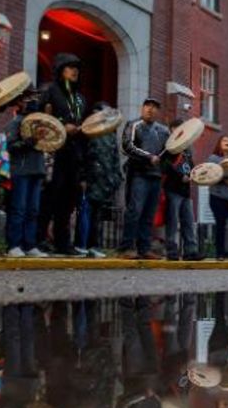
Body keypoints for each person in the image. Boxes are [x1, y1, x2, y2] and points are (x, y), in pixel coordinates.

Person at [37, 53, 88, 256]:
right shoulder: (49, 91)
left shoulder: (80, 98)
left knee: (68, 201)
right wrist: (60, 125)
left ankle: (62, 242)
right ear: (60, 70)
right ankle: (39, 239)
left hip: (73, 154)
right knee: (49, 197)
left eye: (76, 67)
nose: (74, 70)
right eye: (69, 67)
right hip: (53, 153)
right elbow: (40, 118)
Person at [119, 97, 169, 260]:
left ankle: (144, 248)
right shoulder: (134, 125)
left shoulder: (163, 130)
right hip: (138, 173)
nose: (150, 109)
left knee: (149, 214)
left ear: (158, 111)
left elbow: (169, 151)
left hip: (156, 176)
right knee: (135, 211)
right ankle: (126, 247)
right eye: (147, 105)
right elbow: (128, 146)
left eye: (154, 107)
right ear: (142, 108)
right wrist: (149, 157)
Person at [4, 98, 49, 258]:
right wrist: (29, 141)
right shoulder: (16, 122)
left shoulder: (40, 123)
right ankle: (14, 244)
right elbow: (11, 146)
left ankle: (29, 244)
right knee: (19, 208)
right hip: (21, 171)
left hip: (37, 170)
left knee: (33, 210)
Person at [81, 102, 123, 258]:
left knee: (99, 214)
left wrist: (116, 177)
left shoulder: (111, 135)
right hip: (91, 180)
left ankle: (95, 245)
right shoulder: (88, 132)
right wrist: (82, 177)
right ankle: (82, 245)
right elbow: (83, 157)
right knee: (85, 213)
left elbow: (114, 157)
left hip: (105, 181)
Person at [162, 118, 199, 261]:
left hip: (186, 190)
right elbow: (165, 166)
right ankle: (171, 250)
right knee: (172, 221)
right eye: (176, 128)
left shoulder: (187, 148)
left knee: (189, 221)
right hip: (173, 188)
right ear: (171, 129)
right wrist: (180, 176)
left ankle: (191, 251)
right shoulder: (167, 146)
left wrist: (193, 175)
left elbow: (191, 165)